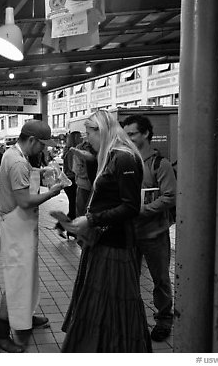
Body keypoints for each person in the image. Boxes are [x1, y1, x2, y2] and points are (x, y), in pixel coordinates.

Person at [60, 109, 152, 353]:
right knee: (103, 302)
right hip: (104, 240)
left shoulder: (123, 158)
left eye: (89, 134)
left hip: (116, 243)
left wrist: (91, 219)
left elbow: (131, 206)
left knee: (109, 302)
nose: (86, 139)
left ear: (100, 131)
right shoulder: (112, 156)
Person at [0, 120, 64, 353]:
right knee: (17, 279)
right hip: (16, 226)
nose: (43, 150)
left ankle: (25, 318)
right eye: (42, 145)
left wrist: (42, 175)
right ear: (31, 140)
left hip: (19, 225)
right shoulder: (18, 162)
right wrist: (52, 192)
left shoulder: (12, 154)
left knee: (26, 276)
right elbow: (24, 201)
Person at [122, 114, 176, 342]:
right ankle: (133, 319)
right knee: (128, 278)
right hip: (129, 233)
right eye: (126, 134)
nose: (128, 138)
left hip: (154, 234)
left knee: (161, 279)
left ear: (145, 134)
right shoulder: (124, 161)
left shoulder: (159, 164)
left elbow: (171, 196)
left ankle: (164, 319)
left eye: (132, 133)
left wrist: (142, 210)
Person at [54, 132, 82, 237]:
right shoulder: (72, 152)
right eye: (80, 137)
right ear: (75, 139)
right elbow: (72, 168)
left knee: (73, 206)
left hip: (69, 181)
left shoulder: (69, 150)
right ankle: (62, 226)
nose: (82, 139)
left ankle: (67, 229)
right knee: (74, 207)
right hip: (72, 181)